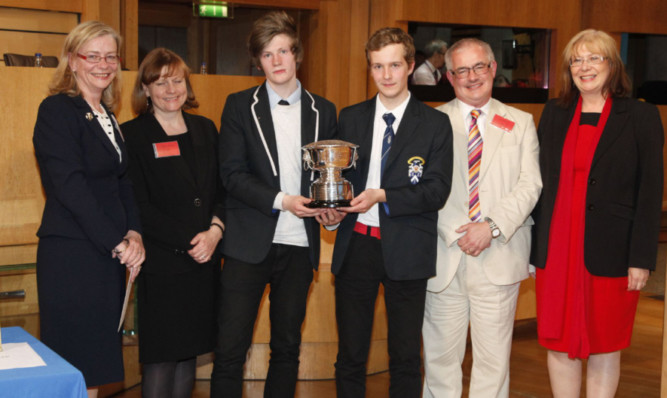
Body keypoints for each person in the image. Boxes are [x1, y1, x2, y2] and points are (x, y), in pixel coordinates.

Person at [210, 11, 338, 398]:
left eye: (284, 51)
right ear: (258, 61)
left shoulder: (325, 111)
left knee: (287, 349)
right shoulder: (237, 106)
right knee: (231, 349)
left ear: (297, 55)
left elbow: (327, 180)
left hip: (299, 247)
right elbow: (231, 175)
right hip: (248, 244)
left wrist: (329, 215)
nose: (277, 61)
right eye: (268, 54)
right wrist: (284, 201)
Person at [531, 29, 664, 397]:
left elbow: (650, 192)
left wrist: (641, 258)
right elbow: (539, 184)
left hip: (613, 252)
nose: (584, 67)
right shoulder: (554, 114)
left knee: (606, 343)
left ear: (612, 64)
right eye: (577, 60)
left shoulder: (641, 115)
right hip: (557, 250)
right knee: (558, 341)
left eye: (594, 58)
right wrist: (532, 249)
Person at [331, 27, 453, 398]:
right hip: (357, 248)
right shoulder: (350, 118)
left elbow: (436, 191)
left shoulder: (435, 123)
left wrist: (382, 195)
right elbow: (340, 180)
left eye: (394, 65)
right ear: (370, 69)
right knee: (350, 354)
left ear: (410, 66)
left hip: (407, 249)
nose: (386, 75)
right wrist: (333, 210)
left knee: (403, 356)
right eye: (377, 66)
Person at [422, 38, 542, 398]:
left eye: (479, 67)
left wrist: (489, 228)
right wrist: (457, 231)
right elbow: (422, 189)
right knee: (440, 362)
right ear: (449, 75)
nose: (471, 77)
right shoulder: (429, 123)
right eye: (461, 70)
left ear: (493, 69)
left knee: (493, 365)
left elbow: (529, 185)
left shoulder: (520, 123)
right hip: (445, 255)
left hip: (499, 254)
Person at [32, 21, 145, 398]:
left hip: (106, 255)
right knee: (74, 364)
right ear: (72, 61)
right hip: (73, 256)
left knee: (93, 365)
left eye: (111, 56)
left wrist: (133, 234)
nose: (103, 64)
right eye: (92, 56)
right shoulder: (57, 110)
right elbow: (70, 187)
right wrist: (116, 241)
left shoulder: (107, 115)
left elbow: (122, 182)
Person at [122, 48, 225, 398]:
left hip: (204, 263)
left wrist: (215, 233)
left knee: (188, 356)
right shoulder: (132, 135)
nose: (170, 89)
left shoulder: (206, 128)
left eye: (177, 80)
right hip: (163, 264)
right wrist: (190, 240)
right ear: (145, 89)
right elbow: (138, 205)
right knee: (161, 359)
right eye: (160, 82)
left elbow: (222, 192)